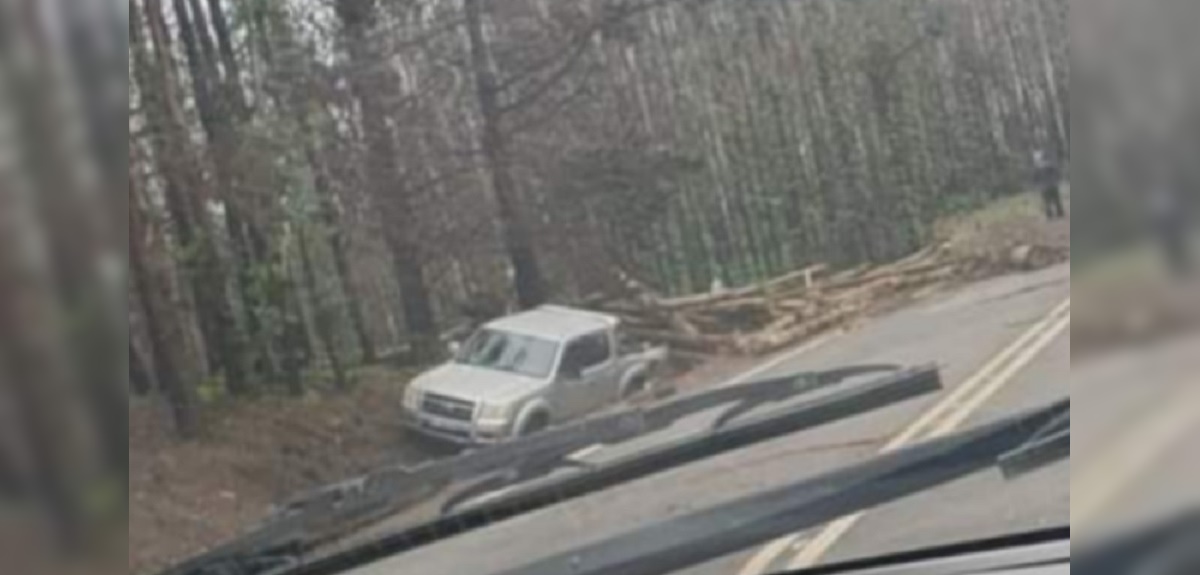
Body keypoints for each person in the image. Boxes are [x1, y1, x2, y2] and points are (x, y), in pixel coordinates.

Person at [1034, 150, 1066, 220]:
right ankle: (1060, 213)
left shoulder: (1038, 168)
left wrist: (1037, 185)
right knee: (1056, 200)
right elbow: (1057, 173)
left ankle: (1050, 215)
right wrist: (1057, 180)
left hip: (1044, 187)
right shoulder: (1051, 164)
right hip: (1053, 185)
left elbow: (1035, 178)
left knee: (1047, 201)